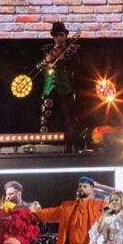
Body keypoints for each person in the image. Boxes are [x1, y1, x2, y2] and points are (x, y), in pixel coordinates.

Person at [40, 21, 79, 151]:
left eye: (61, 35)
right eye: (56, 35)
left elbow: (77, 66)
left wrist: (63, 59)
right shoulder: (46, 49)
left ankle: (73, 147)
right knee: (47, 119)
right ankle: (49, 148)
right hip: (49, 89)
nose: (59, 38)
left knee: (69, 119)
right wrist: (46, 62)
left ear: (66, 35)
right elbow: (40, 68)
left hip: (65, 88)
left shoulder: (72, 49)